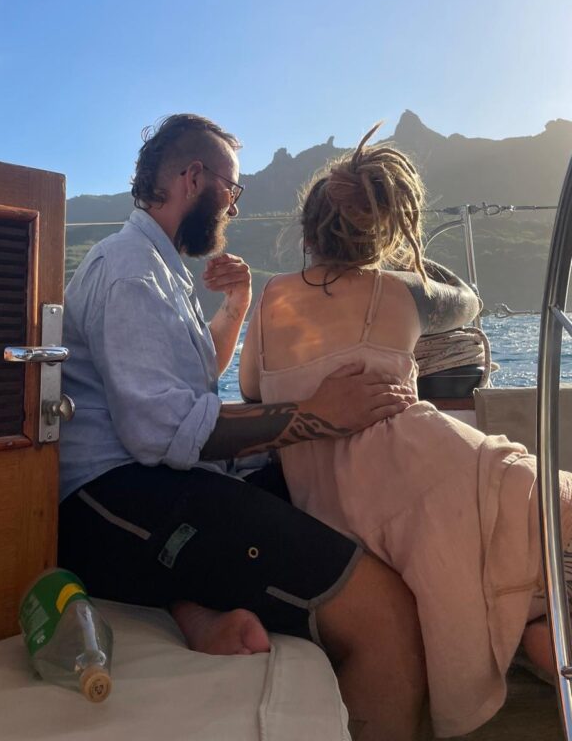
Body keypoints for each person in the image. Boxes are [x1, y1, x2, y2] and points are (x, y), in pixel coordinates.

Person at [58, 114, 426, 741]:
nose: (233, 202)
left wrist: (236, 307)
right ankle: (195, 600)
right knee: (384, 616)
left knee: (320, 494)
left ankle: (194, 607)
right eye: (232, 188)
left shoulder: (160, 265)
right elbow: (161, 429)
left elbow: (191, 379)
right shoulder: (129, 269)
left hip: (155, 480)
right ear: (193, 178)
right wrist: (315, 415)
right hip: (110, 503)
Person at [238, 124, 572, 738]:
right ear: (387, 226)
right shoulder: (403, 291)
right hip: (426, 469)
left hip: (339, 505)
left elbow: (253, 393)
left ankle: (538, 637)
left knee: (527, 557)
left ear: (309, 229)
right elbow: (468, 301)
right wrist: (406, 263)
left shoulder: (271, 299)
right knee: (553, 507)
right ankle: (541, 635)